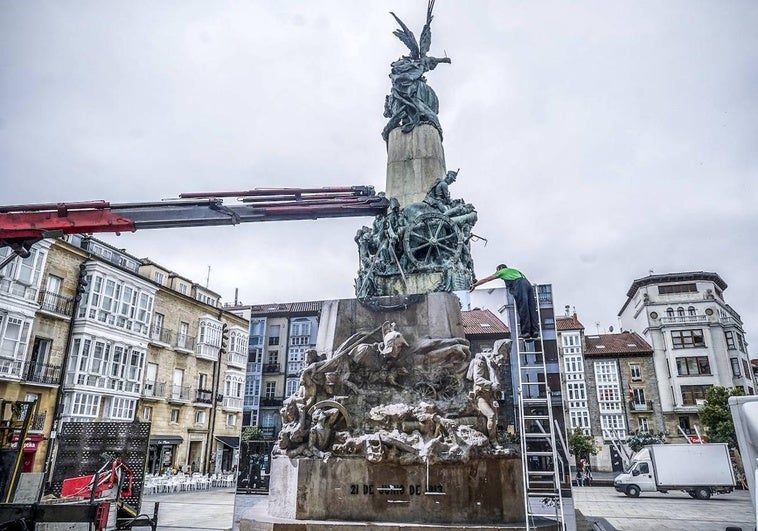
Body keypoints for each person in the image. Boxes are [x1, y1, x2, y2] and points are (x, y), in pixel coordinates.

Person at [470, 264, 540, 340]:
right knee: (531, 308)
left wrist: (475, 285)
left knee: (523, 308)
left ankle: (526, 333)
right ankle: (534, 331)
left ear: (500, 268)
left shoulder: (502, 271)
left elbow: (487, 279)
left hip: (519, 284)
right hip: (527, 284)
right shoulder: (515, 271)